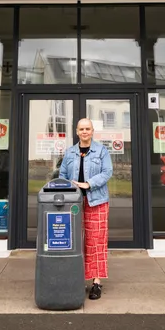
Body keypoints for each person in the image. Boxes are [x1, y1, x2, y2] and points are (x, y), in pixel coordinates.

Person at [58, 118, 113, 300]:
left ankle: (96, 282)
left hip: (96, 201)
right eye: (81, 129)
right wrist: (70, 187)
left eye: (87, 128)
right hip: (73, 202)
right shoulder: (70, 152)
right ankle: (76, 278)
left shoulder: (101, 151)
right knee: (74, 241)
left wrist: (88, 184)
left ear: (92, 131)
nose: (84, 132)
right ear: (76, 131)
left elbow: (107, 172)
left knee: (96, 241)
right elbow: (63, 175)